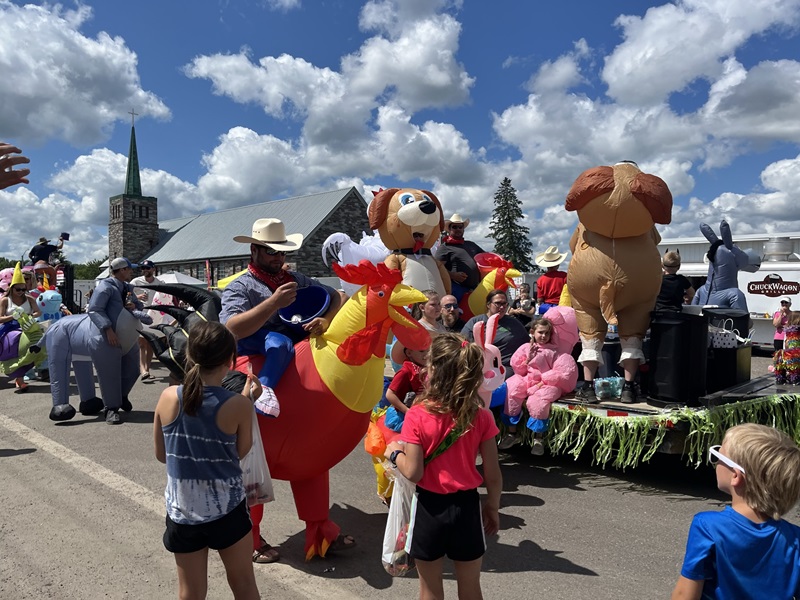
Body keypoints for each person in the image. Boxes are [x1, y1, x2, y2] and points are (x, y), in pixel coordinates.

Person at [219, 218, 341, 564]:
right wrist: (272, 304)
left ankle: (320, 528)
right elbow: (231, 328)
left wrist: (327, 319)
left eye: (281, 252)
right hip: (253, 357)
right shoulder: (240, 286)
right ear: (254, 250)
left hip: (294, 353)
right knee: (252, 454)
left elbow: (335, 295)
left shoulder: (294, 279)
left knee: (317, 443)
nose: (277, 258)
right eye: (271, 252)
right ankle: (249, 538)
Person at [384, 333, 502, 600]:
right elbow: (493, 474)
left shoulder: (417, 413)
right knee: (471, 588)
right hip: (467, 507)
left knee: (430, 589)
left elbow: (413, 471)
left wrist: (394, 455)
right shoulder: (481, 414)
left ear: (434, 370)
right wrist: (492, 506)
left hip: (429, 509)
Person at [154, 321, 262, 600]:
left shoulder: (167, 397)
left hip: (183, 512)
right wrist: (248, 400)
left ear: (190, 356)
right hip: (227, 509)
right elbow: (240, 452)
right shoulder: (238, 405)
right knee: (244, 585)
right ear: (231, 359)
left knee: (190, 593)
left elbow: (161, 455)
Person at [671, 424, 800, 600]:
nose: (715, 461)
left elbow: (684, 595)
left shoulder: (708, 526)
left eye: (717, 455)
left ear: (736, 475)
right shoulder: (795, 540)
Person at [87, 257, 152, 424]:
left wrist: (135, 307)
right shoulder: (105, 287)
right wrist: (107, 329)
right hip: (110, 337)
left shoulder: (128, 287)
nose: (131, 272)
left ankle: (121, 396)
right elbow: (95, 310)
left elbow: (139, 306)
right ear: (122, 270)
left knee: (133, 370)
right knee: (110, 374)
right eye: (129, 269)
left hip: (128, 336)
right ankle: (111, 408)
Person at [500, 315, 578, 455]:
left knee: (538, 401)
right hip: (529, 380)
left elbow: (561, 371)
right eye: (540, 332)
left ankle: (538, 438)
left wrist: (543, 381)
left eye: (547, 333)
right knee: (512, 389)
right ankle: (512, 433)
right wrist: (526, 360)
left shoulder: (555, 352)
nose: (543, 336)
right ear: (532, 333)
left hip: (546, 384)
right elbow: (519, 369)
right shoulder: (526, 348)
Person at [461, 289, 530, 376]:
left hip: (505, 368)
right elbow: (462, 343)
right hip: (480, 367)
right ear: (488, 305)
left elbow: (528, 344)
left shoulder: (514, 323)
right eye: (498, 303)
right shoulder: (475, 322)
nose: (502, 307)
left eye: (504, 304)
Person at [0, 265, 42, 392]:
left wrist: (29, 315)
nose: (21, 292)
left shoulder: (29, 299)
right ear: (12, 288)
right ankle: (18, 376)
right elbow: (0, 318)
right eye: (18, 289)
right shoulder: (5, 300)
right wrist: (13, 316)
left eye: (23, 289)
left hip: (27, 326)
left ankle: (22, 376)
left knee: (36, 348)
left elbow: (38, 312)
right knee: (13, 348)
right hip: (9, 328)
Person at [434, 213, 485, 301]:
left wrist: (499, 257)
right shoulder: (445, 247)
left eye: (460, 227)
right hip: (456, 288)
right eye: (454, 227)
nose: (458, 229)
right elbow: (437, 267)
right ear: (449, 229)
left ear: (463, 229)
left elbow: (486, 256)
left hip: (475, 288)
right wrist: (452, 275)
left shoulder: (471, 244)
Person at [384, 338, 430, 432]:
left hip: (419, 412)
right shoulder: (405, 371)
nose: (427, 354)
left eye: (428, 350)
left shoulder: (425, 370)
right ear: (409, 353)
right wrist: (407, 411)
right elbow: (390, 394)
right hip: (402, 416)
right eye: (421, 351)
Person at [130, 260, 163, 380]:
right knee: (142, 343)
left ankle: (147, 370)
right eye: (143, 268)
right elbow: (127, 296)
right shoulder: (136, 282)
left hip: (154, 315)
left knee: (150, 344)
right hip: (140, 314)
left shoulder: (160, 283)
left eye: (148, 268)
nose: (145, 270)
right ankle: (142, 369)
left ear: (153, 269)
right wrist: (137, 297)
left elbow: (165, 297)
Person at [534, 246, 568, 314]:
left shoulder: (540, 279)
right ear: (558, 264)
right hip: (562, 307)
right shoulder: (564, 276)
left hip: (547, 309)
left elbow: (539, 300)